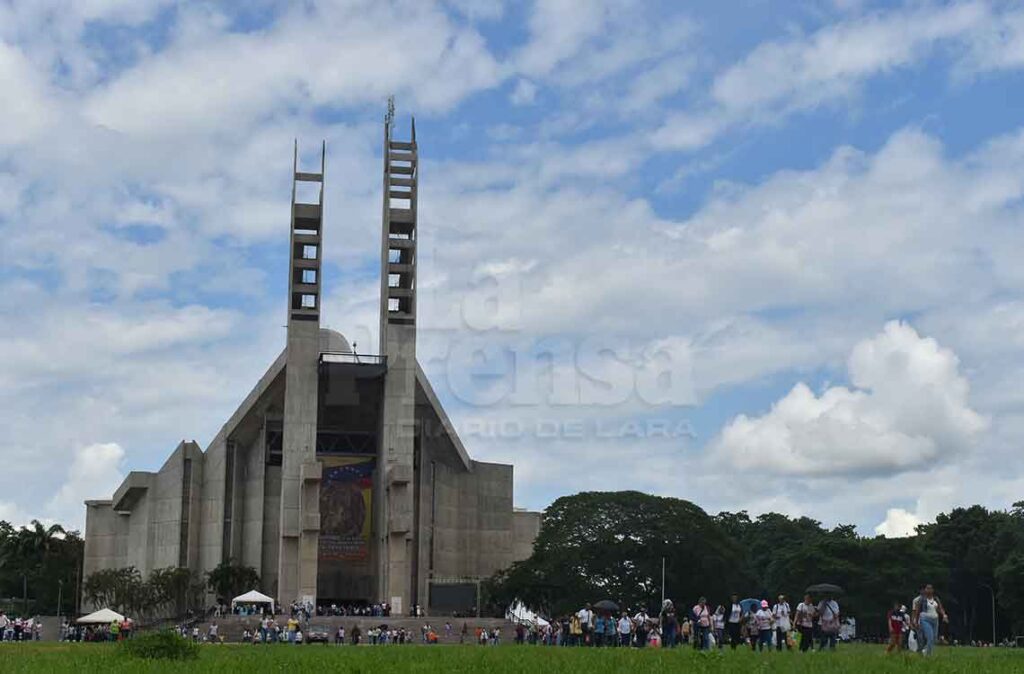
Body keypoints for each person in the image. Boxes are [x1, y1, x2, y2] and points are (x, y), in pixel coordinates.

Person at [911, 583, 948, 656]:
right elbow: (917, 611)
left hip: (935, 619)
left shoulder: (936, 599)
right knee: (930, 636)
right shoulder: (921, 599)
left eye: (930, 588)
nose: (928, 590)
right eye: (927, 588)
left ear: (933, 590)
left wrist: (944, 615)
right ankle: (928, 655)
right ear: (925, 590)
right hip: (925, 618)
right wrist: (915, 621)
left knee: (934, 639)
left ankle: (925, 651)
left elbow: (940, 608)